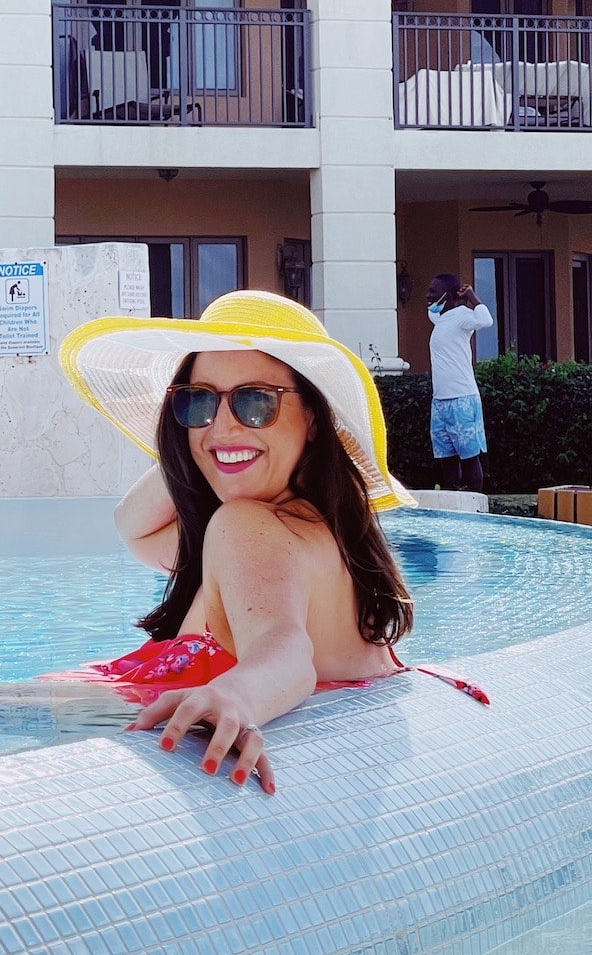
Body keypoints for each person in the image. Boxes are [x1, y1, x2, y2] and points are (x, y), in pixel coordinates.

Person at [59, 291, 486, 794]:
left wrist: (236, 697)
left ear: (313, 417)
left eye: (256, 401)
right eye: (198, 401)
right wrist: (209, 446)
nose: (223, 423)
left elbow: (285, 650)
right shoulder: (320, 534)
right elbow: (134, 527)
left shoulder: (246, 527)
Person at [425, 273, 492, 493]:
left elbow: (486, 320)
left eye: (433, 291)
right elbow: (431, 311)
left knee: (469, 458)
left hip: (462, 399)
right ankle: (452, 505)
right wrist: (441, 302)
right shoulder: (439, 318)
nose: (428, 295)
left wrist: (471, 297)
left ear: (448, 295)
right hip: (440, 402)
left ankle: (475, 504)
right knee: (447, 460)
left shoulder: (463, 315)